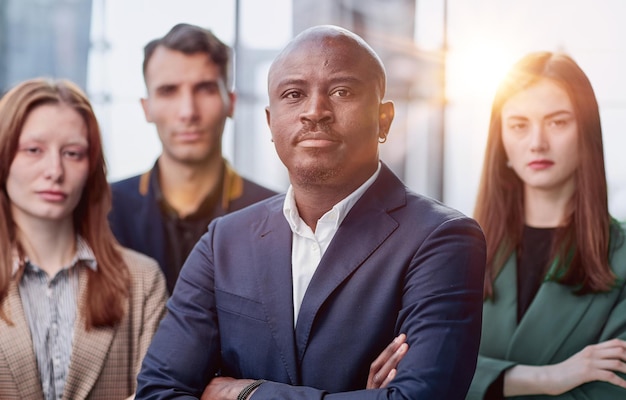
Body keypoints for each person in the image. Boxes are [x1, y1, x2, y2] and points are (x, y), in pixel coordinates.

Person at [136, 24, 486, 399]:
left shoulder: (443, 240)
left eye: (341, 91)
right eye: (294, 94)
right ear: (271, 123)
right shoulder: (224, 241)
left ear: (383, 119)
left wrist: (247, 393)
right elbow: (158, 391)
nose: (315, 111)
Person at [467, 52, 626, 399]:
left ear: (586, 133)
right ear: (502, 141)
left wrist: (483, 382)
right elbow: (414, 369)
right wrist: (550, 378)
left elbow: (613, 391)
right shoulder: (456, 247)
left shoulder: (621, 254)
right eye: (519, 125)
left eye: (557, 122)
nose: (537, 142)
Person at [0, 78, 168, 399]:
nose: (54, 170)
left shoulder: (143, 280)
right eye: (34, 150)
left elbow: (158, 393)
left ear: (90, 168)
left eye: (73, 153)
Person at [108, 23, 277, 293]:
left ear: (231, 102)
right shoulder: (104, 210)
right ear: (146, 108)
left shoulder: (276, 216)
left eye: (205, 89)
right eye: (168, 91)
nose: (188, 111)